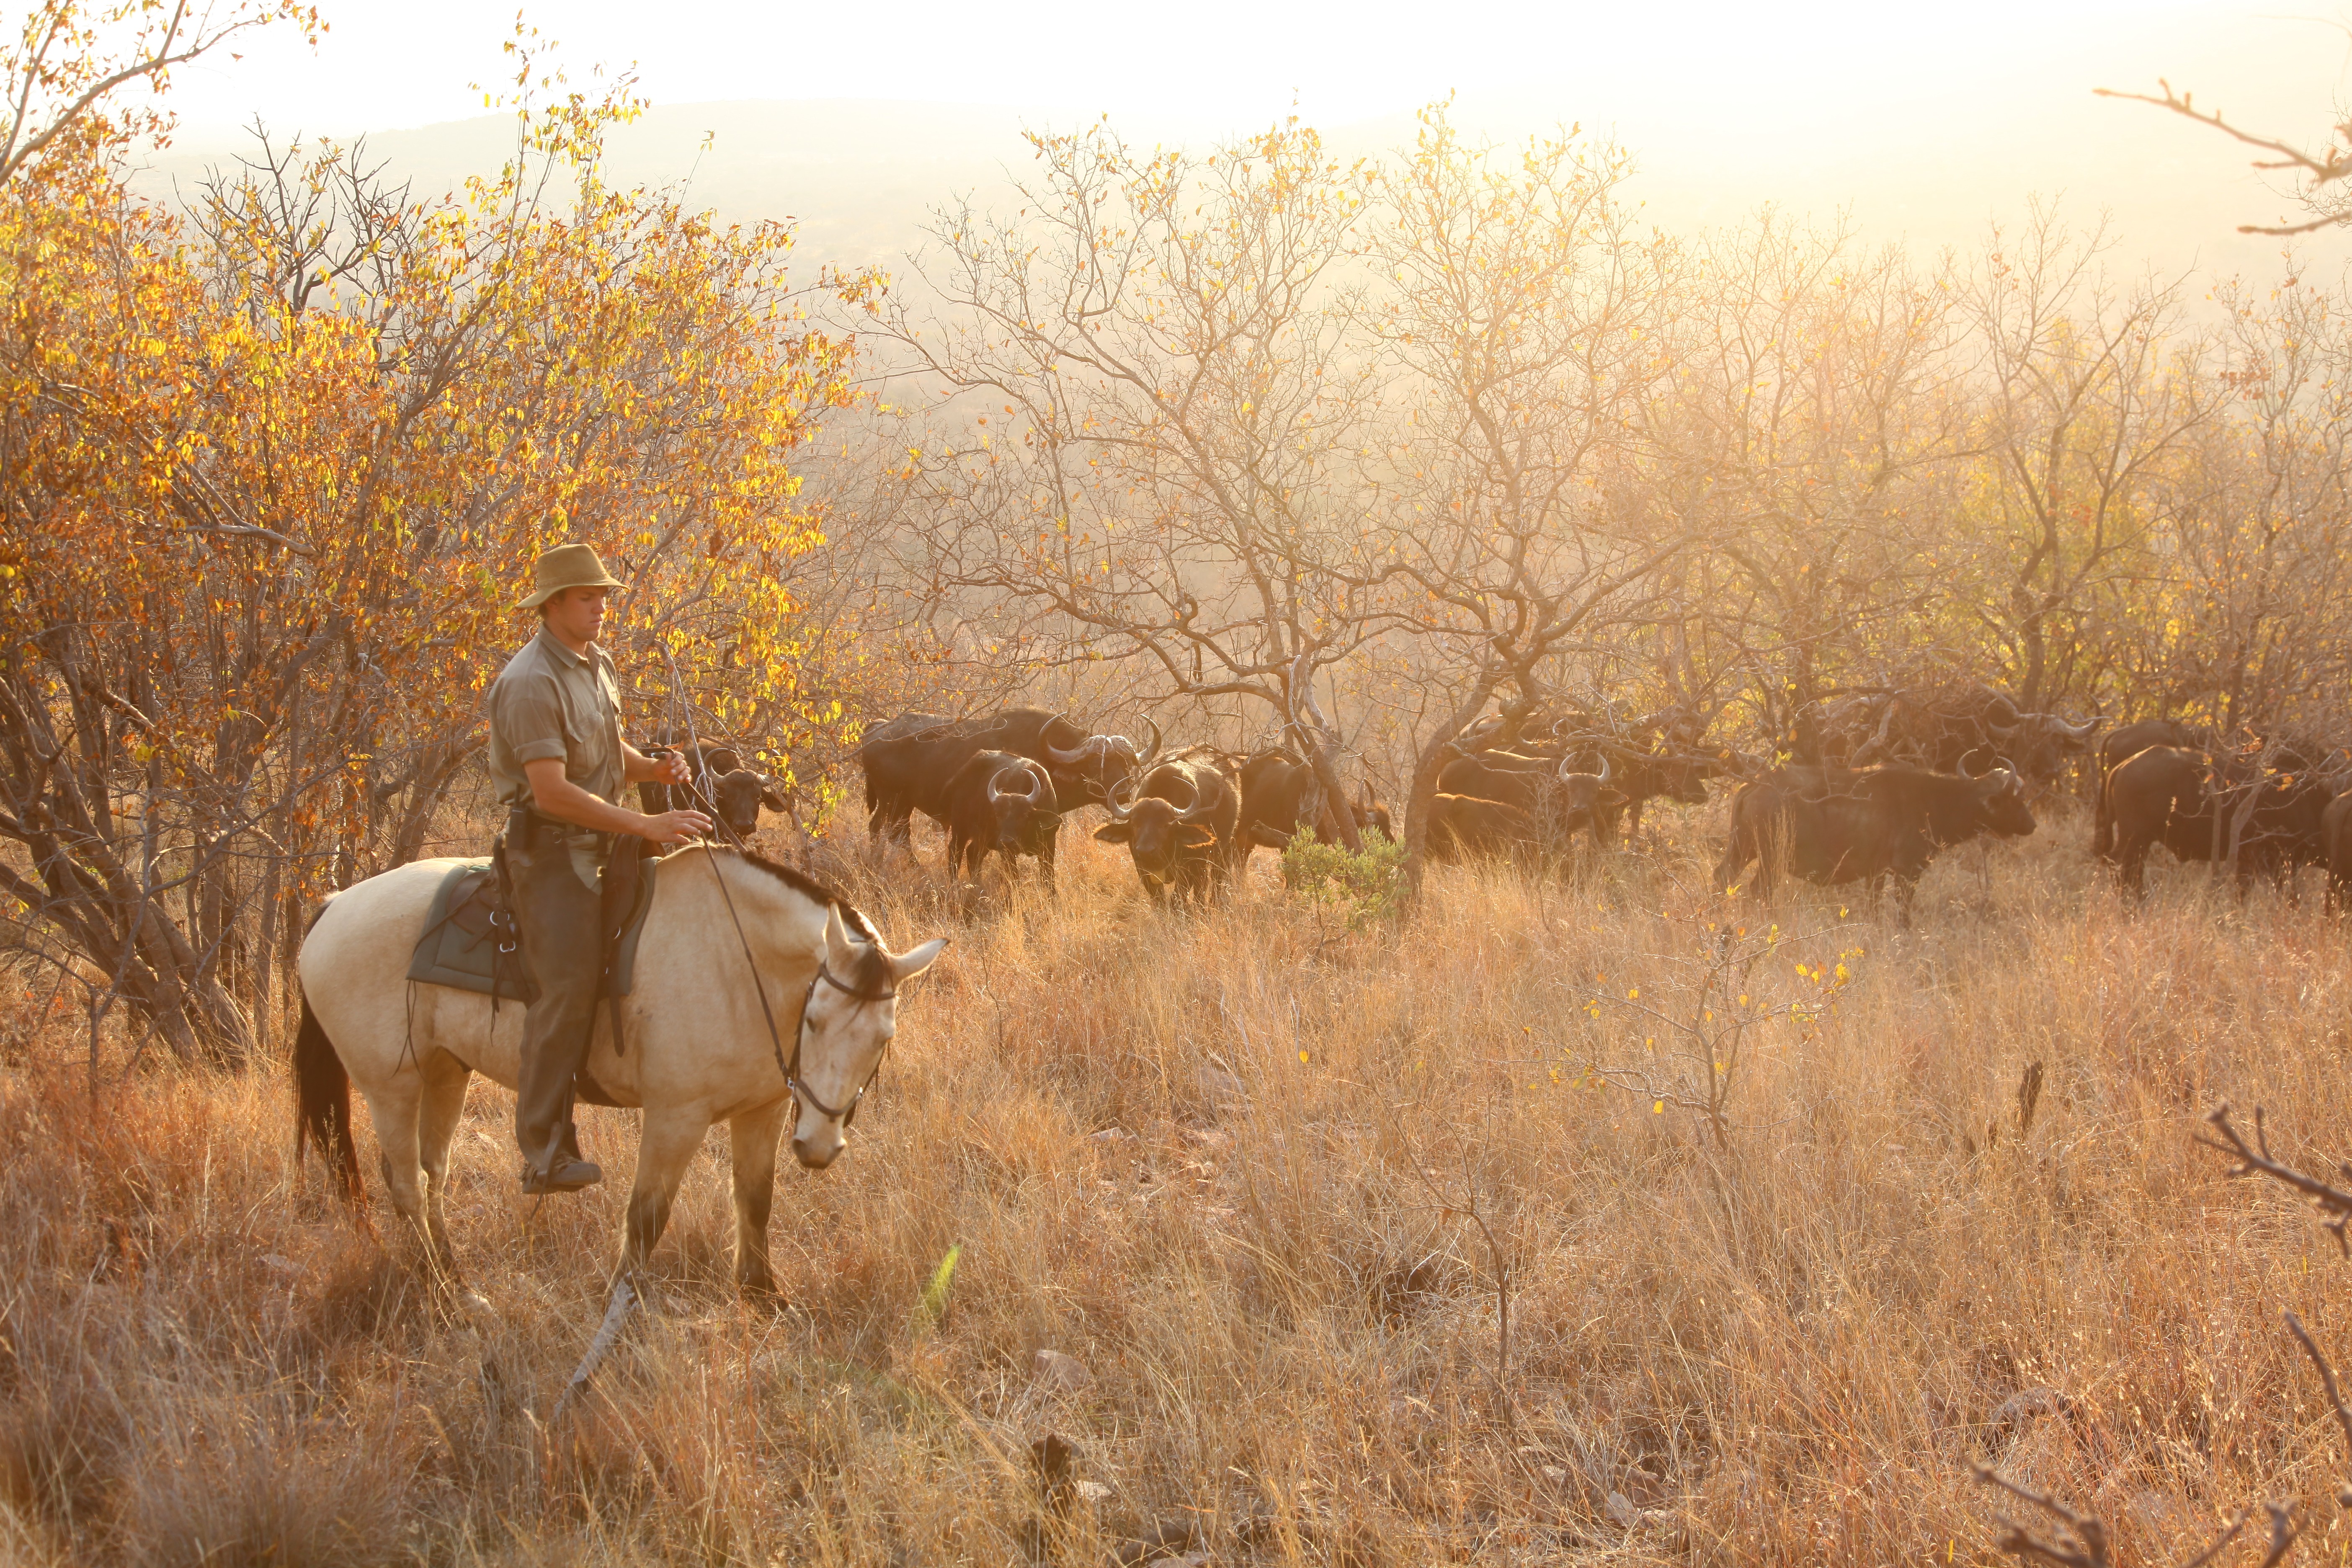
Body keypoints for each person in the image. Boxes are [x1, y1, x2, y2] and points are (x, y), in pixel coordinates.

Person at [487, 543, 712, 1193]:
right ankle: (544, 1151)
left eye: (604, 597)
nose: (601, 607)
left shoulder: (597, 663)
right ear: (553, 604)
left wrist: (655, 769)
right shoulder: (530, 682)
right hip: (551, 854)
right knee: (567, 984)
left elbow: (607, 752)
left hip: (603, 844)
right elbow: (552, 791)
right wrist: (645, 825)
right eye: (588, 598)